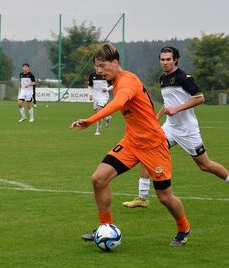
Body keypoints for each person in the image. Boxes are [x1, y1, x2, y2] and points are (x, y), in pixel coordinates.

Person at [70, 43, 191, 246]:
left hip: (153, 145)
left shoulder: (127, 82)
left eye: (102, 66)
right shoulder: (115, 81)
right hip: (131, 142)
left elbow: (117, 104)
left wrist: (90, 121)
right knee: (98, 179)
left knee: (164, 197)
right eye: (96, 66)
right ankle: (104, 227)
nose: (98, 71)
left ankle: (184, 227)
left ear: (115, 63)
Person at [123, 46, 229, 208]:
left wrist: (177, 109)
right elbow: (168, 104)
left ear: (175, 60)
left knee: (205, 165)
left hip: (187, 130)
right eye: (162, 59)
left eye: (168, 59)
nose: (165, 62)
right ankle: (142, 197)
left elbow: (200, 98)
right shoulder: (162, 79)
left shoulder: (183, 77)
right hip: (170, 128)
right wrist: (155, 118)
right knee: (147, 153)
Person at [88, 71, 113, 135]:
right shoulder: (92, 75)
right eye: (96, 66)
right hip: (95, 97)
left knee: (99, 112)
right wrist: (90, 94)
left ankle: (98, 130)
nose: (98, 68)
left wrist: (107, 89)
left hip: (104, 96)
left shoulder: (105, 74)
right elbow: (90, 86)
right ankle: (107, 118)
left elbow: (113, 84)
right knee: (97, 114)